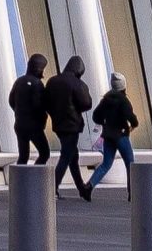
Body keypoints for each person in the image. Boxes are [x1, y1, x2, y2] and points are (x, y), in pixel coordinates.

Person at [47, 55, 95, 199]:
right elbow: (86, 104)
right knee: (67, 156)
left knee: (72, 156)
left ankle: (82, 188)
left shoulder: (53, 81)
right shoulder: (78, 84)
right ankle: (51, 188)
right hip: (72, 125)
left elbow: (45, 101)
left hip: (58, 124)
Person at [86, 71, 140, 190]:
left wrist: (104, 123)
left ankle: (89, 186)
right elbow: (130, 116)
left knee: (106, 164)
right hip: (121, 136)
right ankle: (133, 192)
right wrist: (134, 124)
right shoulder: (124, 100)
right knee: (130, 164)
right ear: (123, 85)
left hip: (108, 136)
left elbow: (96, 116)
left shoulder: (106, 99)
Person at [8, 53, 51, 164]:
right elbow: (38, 105)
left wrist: (19, 112)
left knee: (23, 156)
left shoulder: (19, 81)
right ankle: (35, 179)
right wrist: (43, 118)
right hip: (34, 126)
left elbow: (11, 101)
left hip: (20, 124)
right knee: (44, 153)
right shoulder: (38, 84)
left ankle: (20, 181)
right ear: (40, 69)